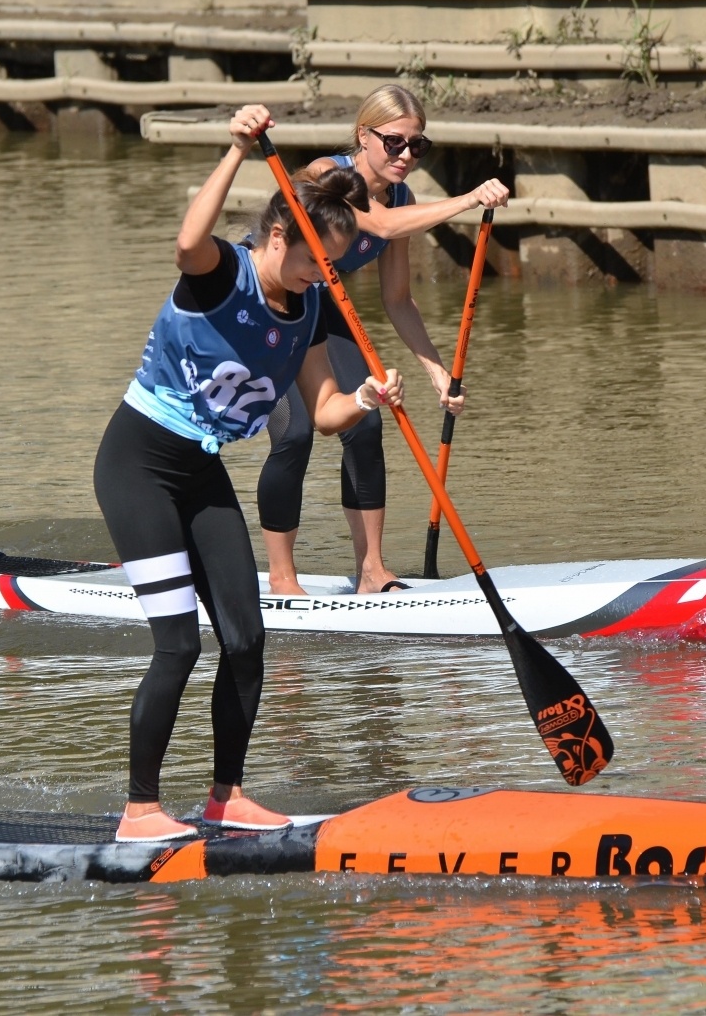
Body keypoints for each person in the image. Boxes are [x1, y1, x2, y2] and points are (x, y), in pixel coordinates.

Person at [95, 104, 405, 843]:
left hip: (200, 474)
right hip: (138, 464)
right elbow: (185, 240)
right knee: (178, 646)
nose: (320, 276)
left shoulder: (304, 313)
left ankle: (225, 796)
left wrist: (366, 397)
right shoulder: (222, 273)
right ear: (276, 237)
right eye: (312, 261)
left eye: (330, 266)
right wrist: (235, 151)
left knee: (246, 638)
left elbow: (324, 408)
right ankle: (140, 809)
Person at [255, 84, 511, 595]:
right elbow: (379, 226)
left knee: (366, 420)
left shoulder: (402, 197)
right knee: (297, 433)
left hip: (320, 299)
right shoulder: (329, 176)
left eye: (418, 146)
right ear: (363, 135)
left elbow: (397, 299)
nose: (406, 156)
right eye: (394, 142)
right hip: (270, 298)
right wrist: (467, 198)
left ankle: (372, 572)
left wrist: (436, 370)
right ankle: (283, 580)